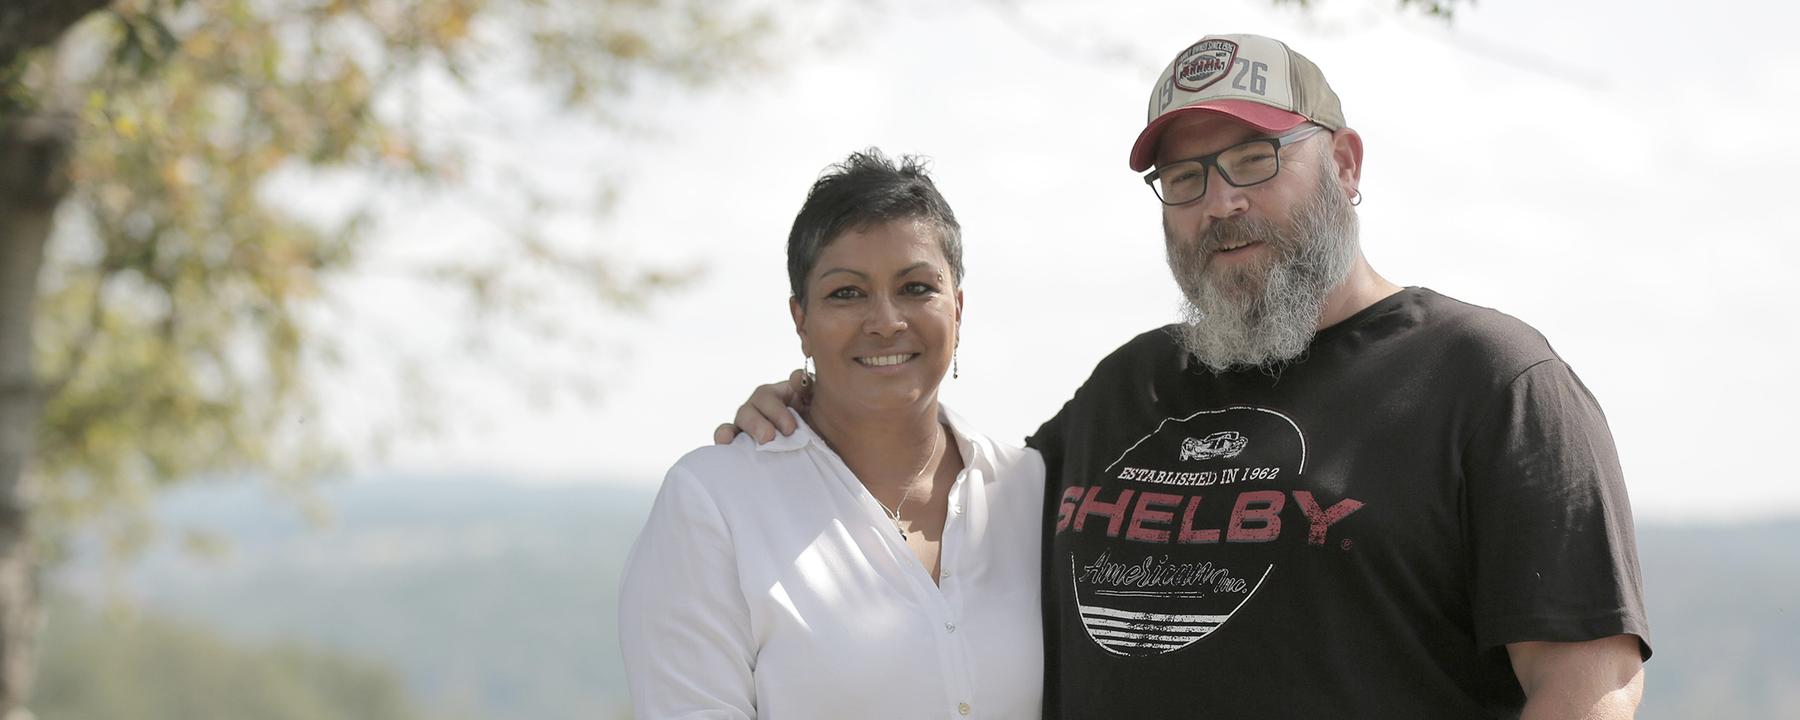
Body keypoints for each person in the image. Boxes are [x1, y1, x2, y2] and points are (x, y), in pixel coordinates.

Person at [717, 34, 1650, 718]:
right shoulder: (1133, 386)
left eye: (1255, 160)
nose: (1222, 203)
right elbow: (954, 513)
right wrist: (823, 408)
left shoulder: (1490, 383)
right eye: (1187, 179)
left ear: (1347, 164)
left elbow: (1588, 688)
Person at [618, 149, 1045, 719]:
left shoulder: (1034, 492)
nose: (886, 320)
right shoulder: (714, 503)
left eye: (916, 287)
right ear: (801, 320)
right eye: (847, 293)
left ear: (958, 309)